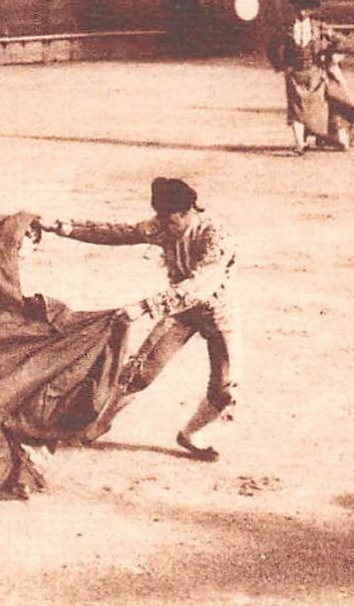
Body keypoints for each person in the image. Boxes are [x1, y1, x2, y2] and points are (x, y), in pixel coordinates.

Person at [37, 177, 242, 462]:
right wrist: (63, 228)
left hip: (216, 313)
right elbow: (117, 233)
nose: (162, 226)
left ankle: (191, 435)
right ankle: (98, 426)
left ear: (187, 213)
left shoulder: (217, 236)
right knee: (139, 372)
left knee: (225, 387)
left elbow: (199, 286)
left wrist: (145, 306)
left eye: (169, 219)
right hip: (180, 313)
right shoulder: (164, 225)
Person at [266, 0, 354, 154]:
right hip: (294, 73)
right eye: (299, 8)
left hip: (315, 73)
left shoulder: (319, 27)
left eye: (305, 9)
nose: (302, 12)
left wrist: (329, 55)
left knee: (321, 107)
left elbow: (341, 41)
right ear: (294, 9)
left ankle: (326, 137)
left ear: (311, 10)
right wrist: (282, 66)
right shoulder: (286, 28)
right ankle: (300, 145)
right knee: (295, 108)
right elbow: (271, 49)